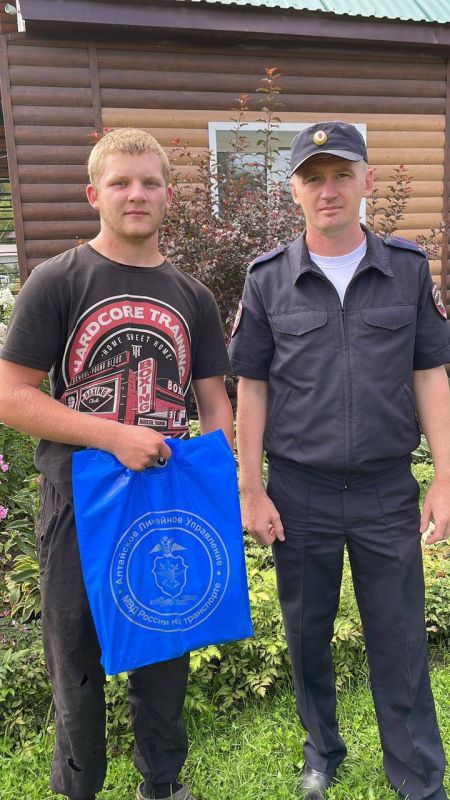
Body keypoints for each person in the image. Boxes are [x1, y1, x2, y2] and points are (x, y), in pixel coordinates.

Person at [0, 128, 233, 800]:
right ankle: (81, 789)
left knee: (165, 654)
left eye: (150, 182)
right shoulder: (58, 280)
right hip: (79, 501)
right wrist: (110, 437)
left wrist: (218, 490)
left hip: (166, 502)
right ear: (93, 193)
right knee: (74, 657)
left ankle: (163, 784)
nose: (137, 194)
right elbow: (11, 396)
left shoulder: (193, 296)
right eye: (121, 182)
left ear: (169, 195)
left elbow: (215, 404)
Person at [229, 121, 450, 800]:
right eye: (313, 178)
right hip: (300, 492)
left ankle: (416, 773)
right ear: (294, 190)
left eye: (341, 175)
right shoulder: (268, 279)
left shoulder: (406, 270)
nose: (328, 190)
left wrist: (445, 477)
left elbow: (430, 373)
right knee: (306, 636)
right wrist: (251, 489)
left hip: (385, 488)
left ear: (366, 181)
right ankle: (321, 752)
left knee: (400, 638)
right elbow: (252, 387)